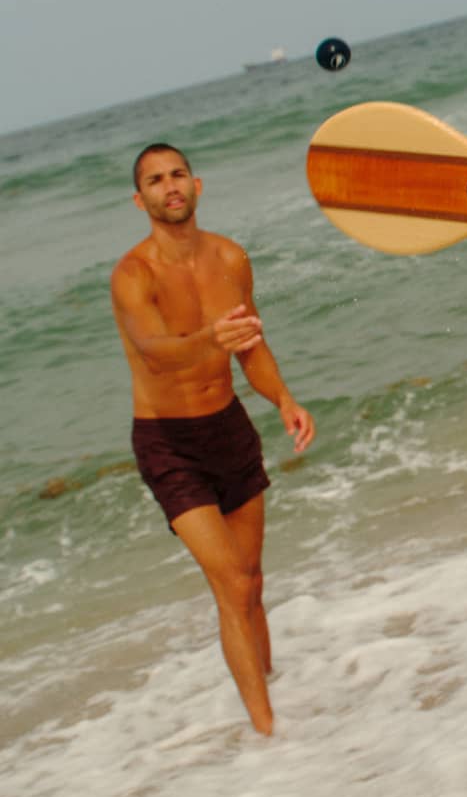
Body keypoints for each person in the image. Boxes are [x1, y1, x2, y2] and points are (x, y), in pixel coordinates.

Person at [110, 144, 315, 735]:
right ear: (139, 198)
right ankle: (267, 732)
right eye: (154, 179)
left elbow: (250, 345)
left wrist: (284, 399)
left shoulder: (230, 258)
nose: (168, 186)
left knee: (251, 580)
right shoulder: (133, 274)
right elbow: (156, 352)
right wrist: (211, 338)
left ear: (197, 185)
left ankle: (274, 686)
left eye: (177, 174)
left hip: (229, 428)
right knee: (229, 581)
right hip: (168, 442)